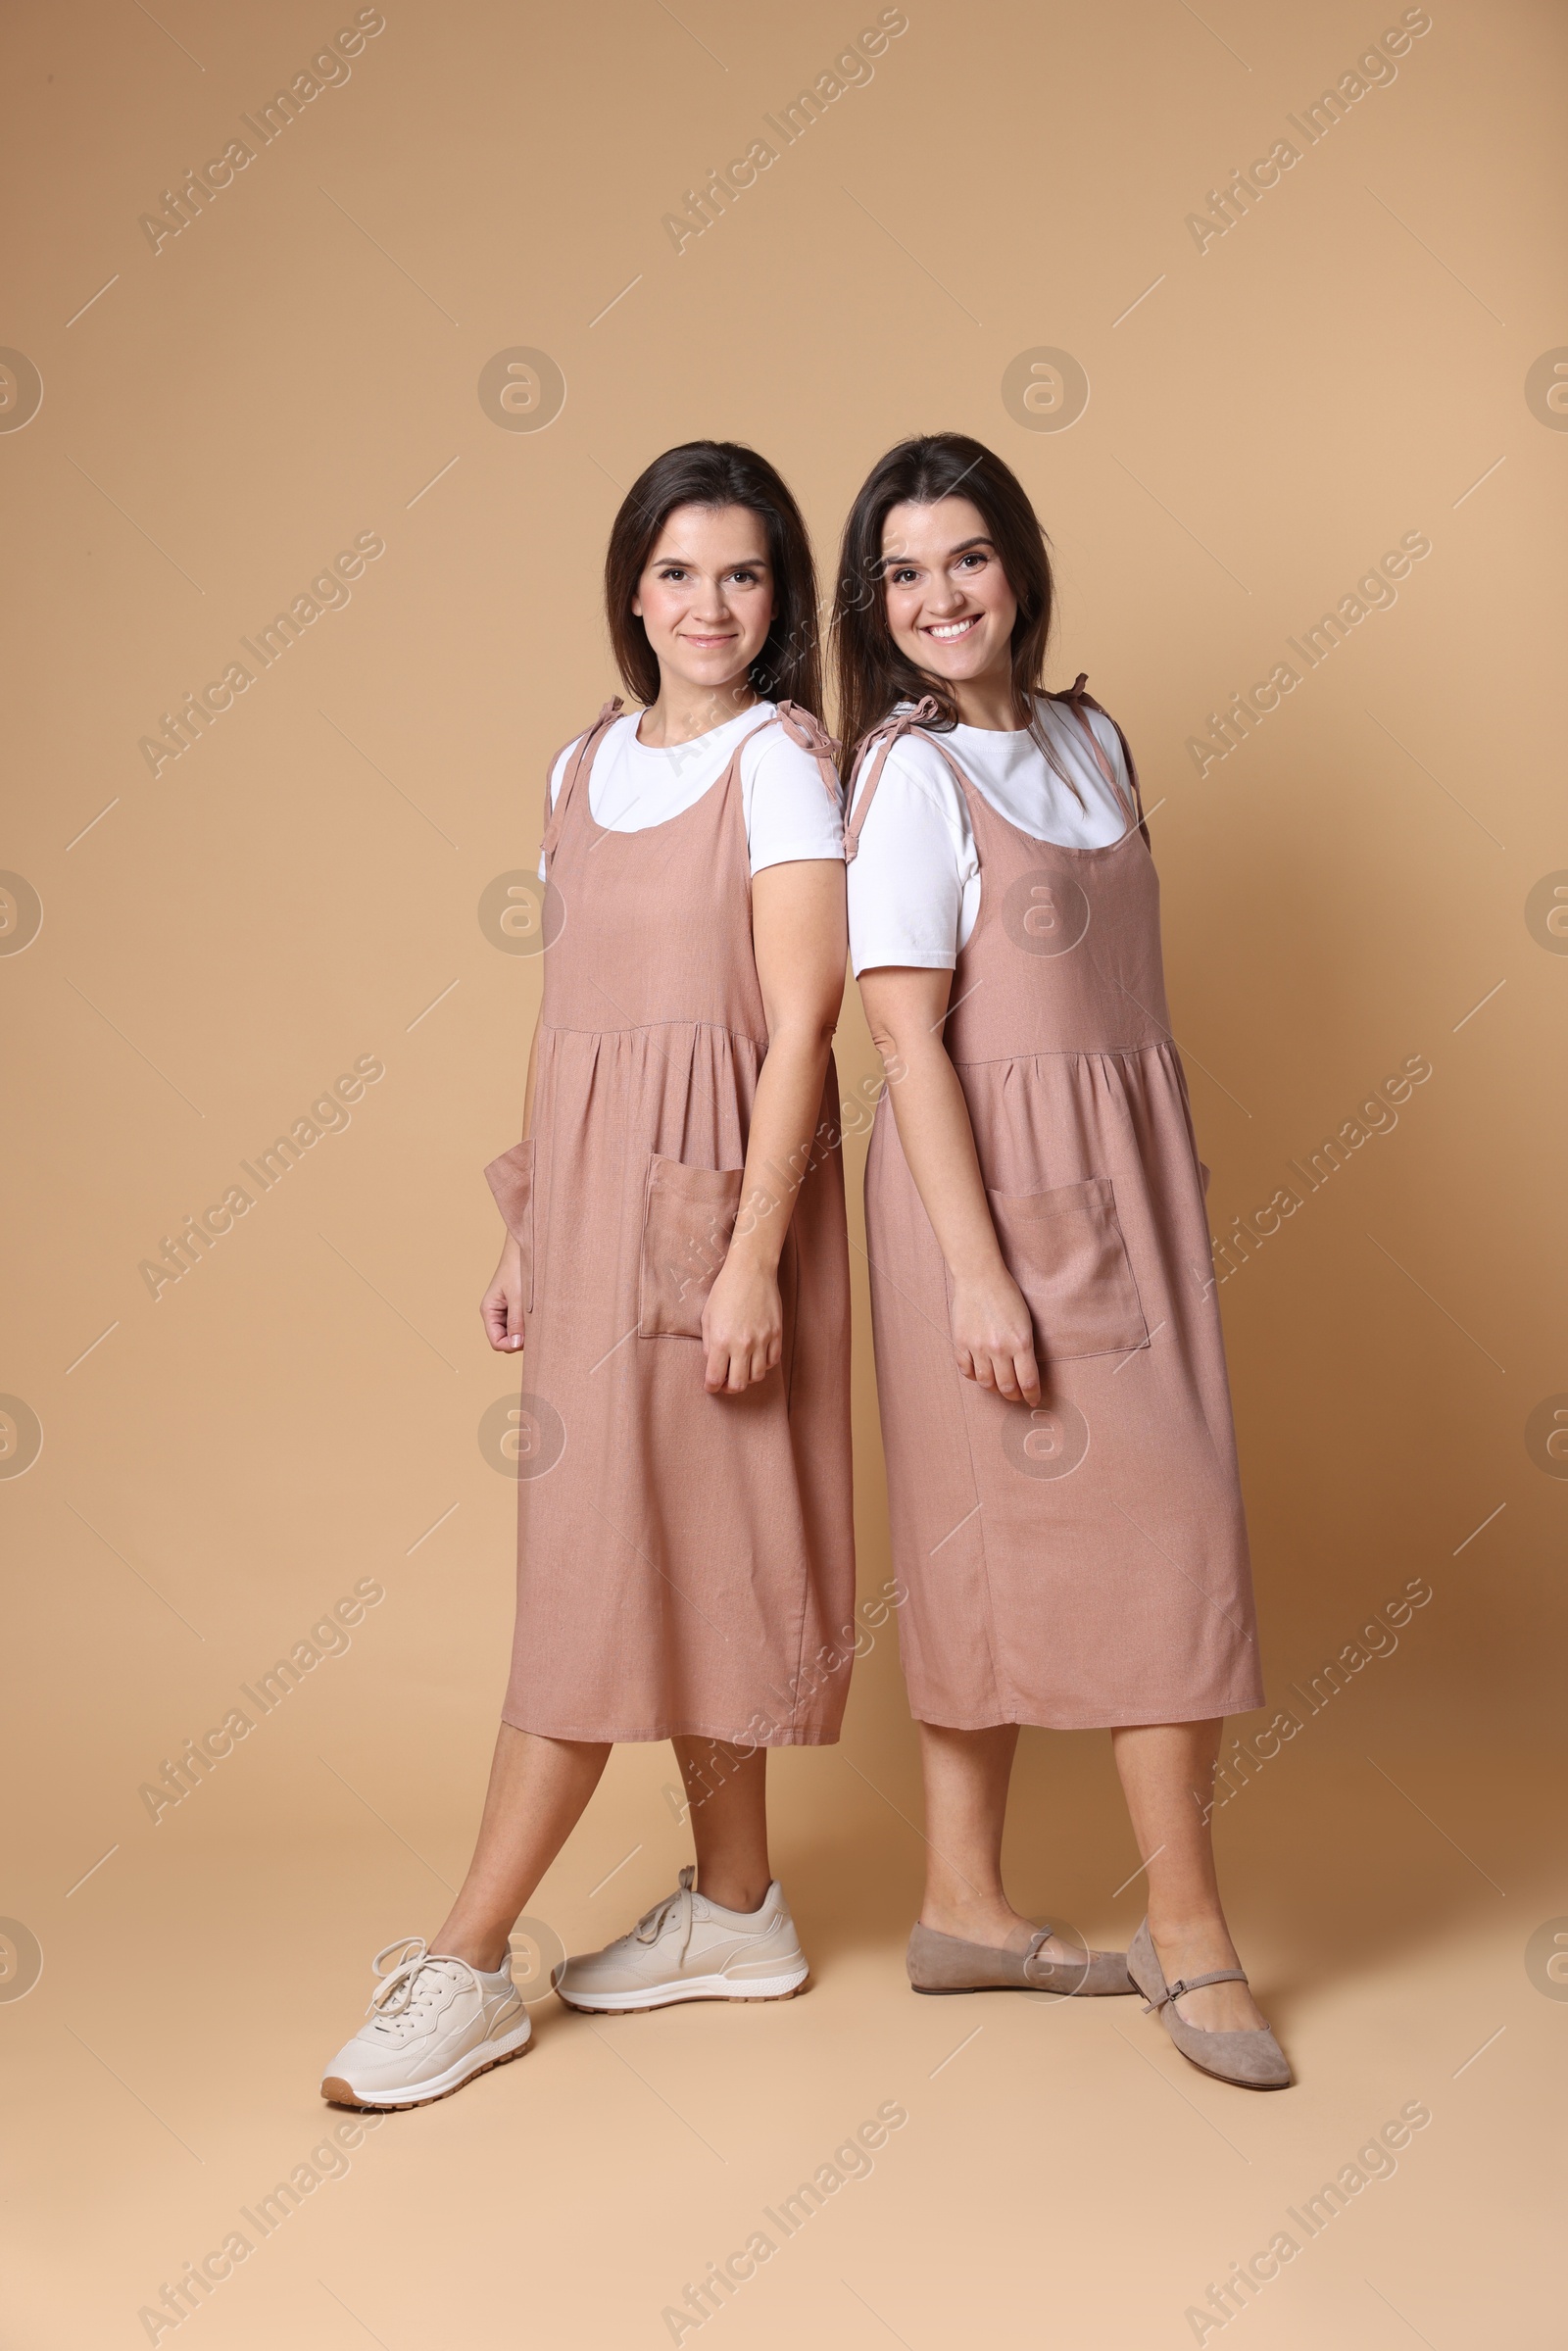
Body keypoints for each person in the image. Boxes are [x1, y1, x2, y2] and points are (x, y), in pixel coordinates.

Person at [320, 442, 855, 2109]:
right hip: (598, 1206)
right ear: (633, 588)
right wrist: (528, 1220)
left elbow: (801, 1028)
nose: (711, 604)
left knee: (608, 1569)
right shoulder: (577, 768)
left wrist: (755, 1255)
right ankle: (742, 1907)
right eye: (681, 571)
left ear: (778, 605)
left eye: (745, 574)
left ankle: (469, 1960)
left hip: (721, 1208)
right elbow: (571, 1033)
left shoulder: (785, 762)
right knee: (657, 1547)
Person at [834, 433, 1289, 2089]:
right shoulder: (902, 774)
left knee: (1049, 1542)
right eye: (904, 574)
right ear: (876, 608)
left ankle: (964, 1907)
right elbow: (910, 1043)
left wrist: (1164, 1167)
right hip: (995, 1194)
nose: (941, 595)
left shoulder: (1092, 738)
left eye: (966, 557)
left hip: (1130, 1182)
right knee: (1129, 1535)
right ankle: (1193, 1935)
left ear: (1016, 563)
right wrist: (974, 1271)